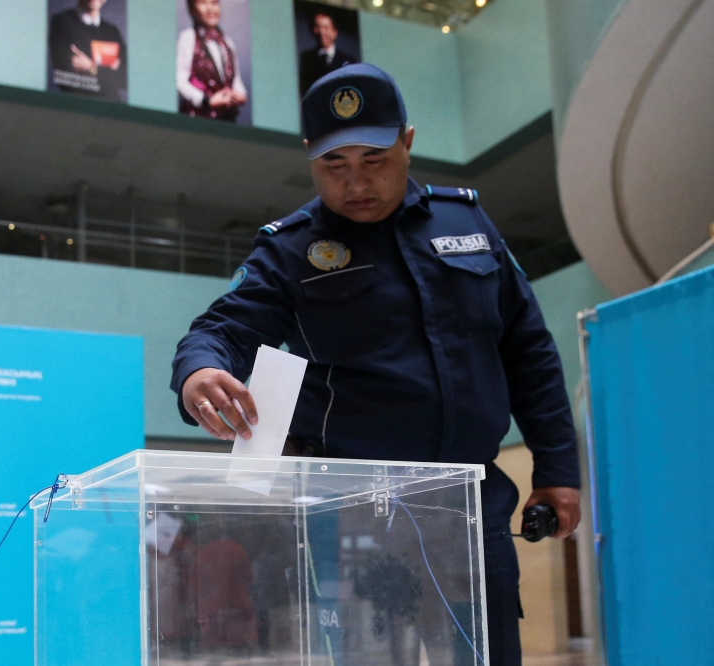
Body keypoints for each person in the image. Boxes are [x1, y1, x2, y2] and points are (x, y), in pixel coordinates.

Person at [170, 64, 581, 666]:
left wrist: (557, 466)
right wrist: (199, 373)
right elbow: (221, 329)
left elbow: (530, 352)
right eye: (334, 164)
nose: (357, 182)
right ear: (310, 156)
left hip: (469, 506)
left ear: (407, 141)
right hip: (355, 516)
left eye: (375, 158)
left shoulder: (467, 225)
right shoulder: (292, 250)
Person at [177, 0, 247, 123]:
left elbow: (235, 80)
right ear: (192, 9)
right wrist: (206, 101)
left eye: (214, 3)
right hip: (196, 122)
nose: (210, 9)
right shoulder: (188, 38)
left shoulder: (228, 43)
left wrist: (240, 95)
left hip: (226, 123)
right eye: (203, 3)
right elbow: (180, 80)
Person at [49, 0, 127, 102]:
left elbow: (124, 79)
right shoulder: (62, 22)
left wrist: (90, 66)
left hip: (112, 107)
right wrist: (108, 71)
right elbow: (66, 70)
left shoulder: (112, 31)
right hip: (76, 105)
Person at [298, 10, 357, 97]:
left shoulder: (348, 60)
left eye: (326, 27)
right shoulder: (307, 58)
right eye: (317, 27)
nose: (321, 32)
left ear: (334, 32)